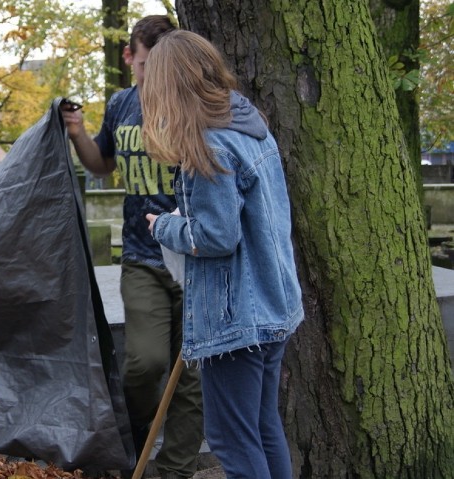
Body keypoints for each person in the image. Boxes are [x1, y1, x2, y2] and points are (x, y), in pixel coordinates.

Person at [141, 30, 304, 479]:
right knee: (262, 425)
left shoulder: (209, 144)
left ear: (167, 88)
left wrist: (166, 226)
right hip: (274, 307)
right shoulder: (250, 126)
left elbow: (216, 236)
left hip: (237, 319)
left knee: (233, 439)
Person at [61, 15, 204, 479]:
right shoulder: (122, 103)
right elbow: (101, 165)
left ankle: (175, 468)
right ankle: (132, 437)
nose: (157, 73)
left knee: (193, 376)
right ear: (130, 57)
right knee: (147, 362)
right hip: (143, 258)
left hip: (197, 258)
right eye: (148, 63)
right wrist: (78, 131)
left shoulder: (193, 103)